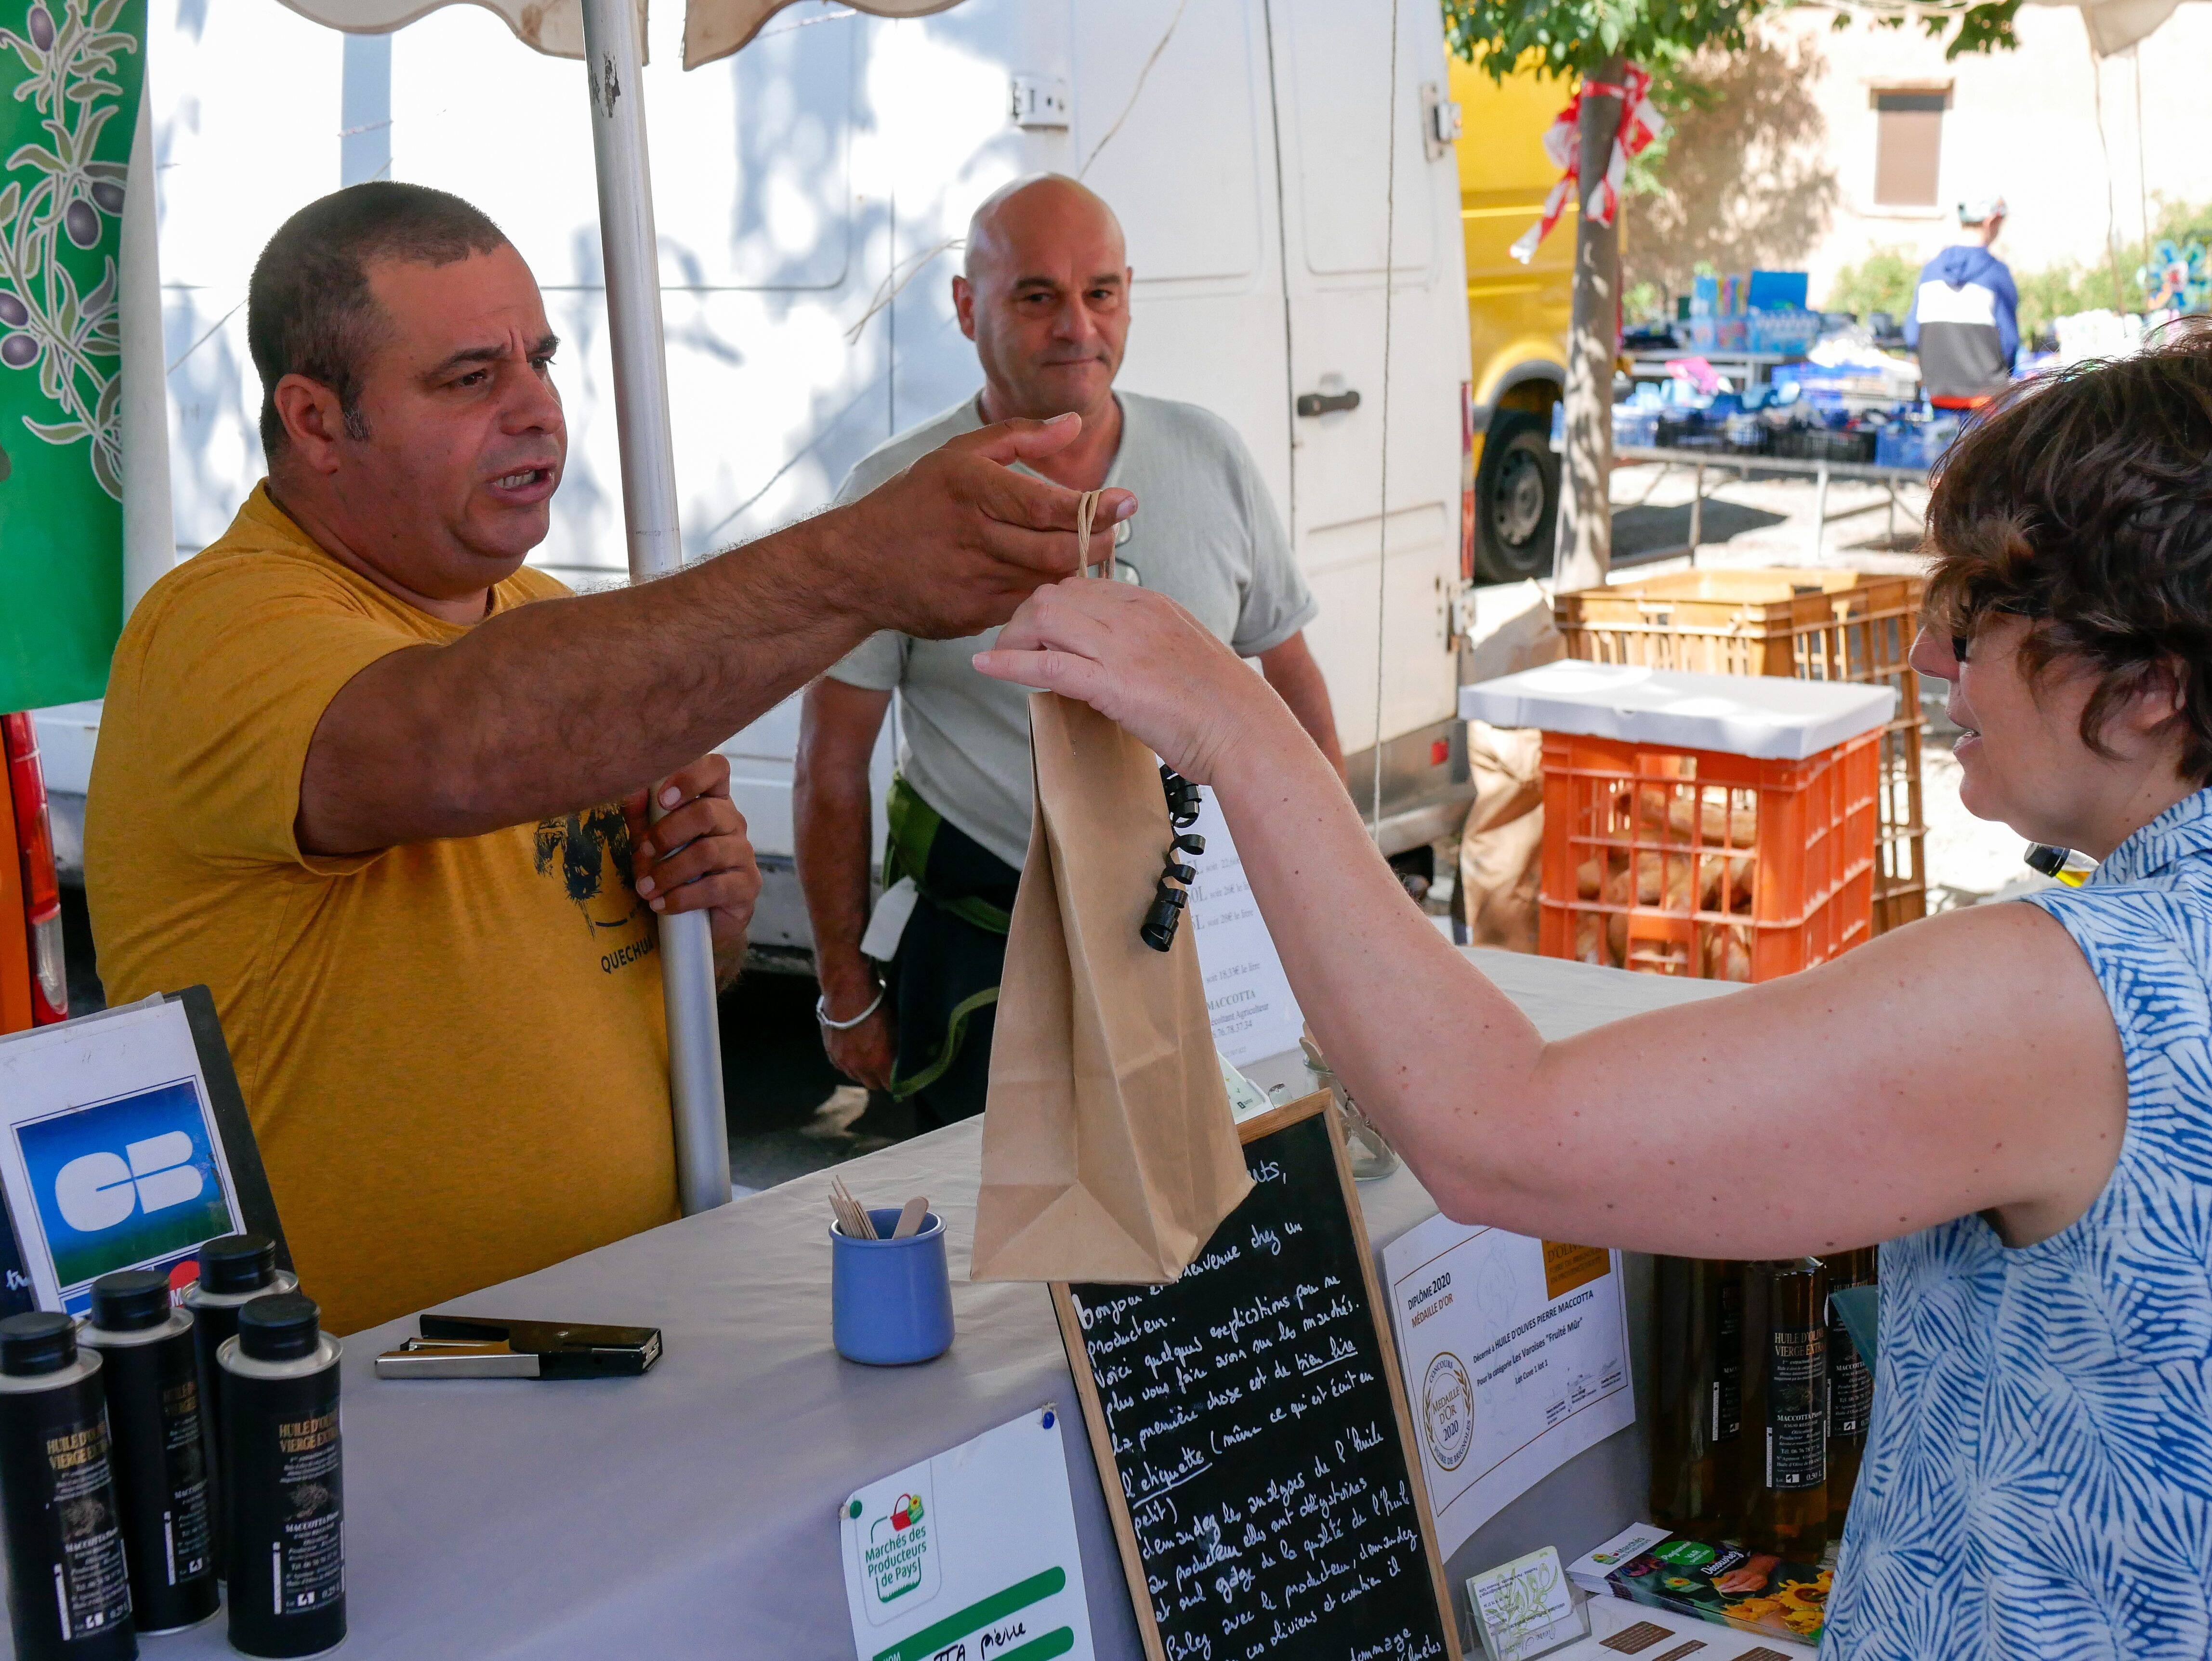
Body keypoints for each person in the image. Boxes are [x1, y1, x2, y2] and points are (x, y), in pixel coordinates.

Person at [975, 331, 2212, 1654]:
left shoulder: (2081, 989)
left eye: (1974, 620)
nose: (1927, 661)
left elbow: (1495, 1128)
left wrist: (1233, 722)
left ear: (2147, 687)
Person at [85, 183, 1131, 1335]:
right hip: (374, 1394)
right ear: (317, 421)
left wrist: (711, 921)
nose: (538, 408)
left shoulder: (539, 614)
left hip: (630, 1332)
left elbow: (606, 972)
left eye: (541, 358)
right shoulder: (216, 626)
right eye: (472, 378)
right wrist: (860, 562)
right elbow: (450, 744)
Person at [794, 174, 1342, 1127]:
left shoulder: (1209, 456)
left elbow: (1288, 676)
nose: (1075, 325)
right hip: (986, 966)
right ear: (967, 307)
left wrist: (1338, 904)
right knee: (1007, 1260)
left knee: (1217, 1233)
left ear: (1129, 293)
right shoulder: (893, 498)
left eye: (1100, 292)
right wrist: (845, 986)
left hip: (1203, 949)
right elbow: (830, 765)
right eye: (1035, 295)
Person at [1905, 195, 2019, 409]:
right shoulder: (1996, 274)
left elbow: (1912, 336)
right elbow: (2009, 345)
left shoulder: (1930, 272)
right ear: (1991, 221)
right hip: (1987, 405)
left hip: (1938, 397)